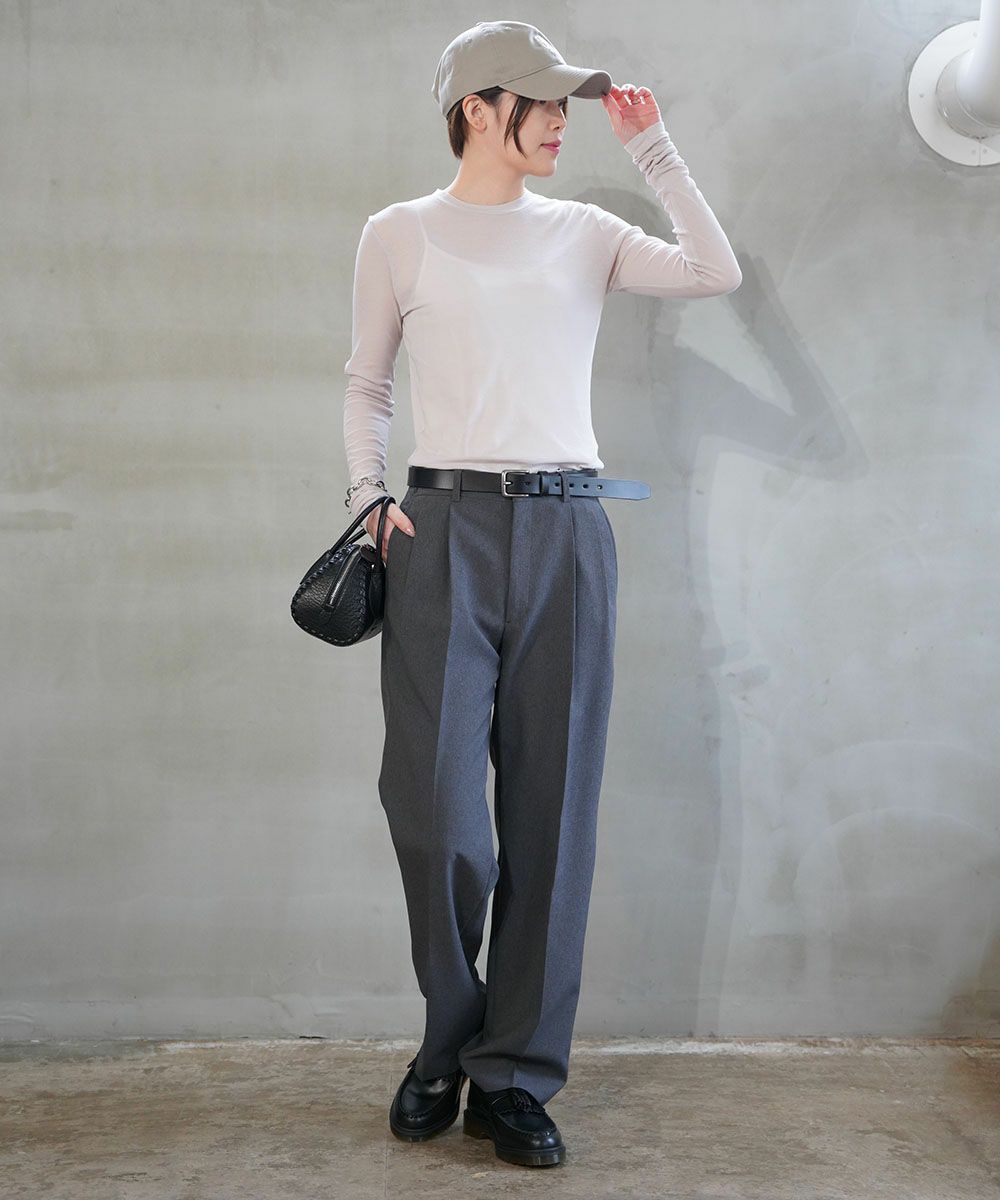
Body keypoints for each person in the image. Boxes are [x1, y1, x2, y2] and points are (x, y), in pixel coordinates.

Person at [342, 20, 741, 1169]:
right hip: (441, 535)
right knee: (435, 815)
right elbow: (367, 382)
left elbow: (712, 271)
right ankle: (449, 1039)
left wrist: (653, 147)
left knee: (552, 818)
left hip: (567, 531)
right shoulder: (398, 233)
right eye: (543, 102)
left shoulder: (583, 232)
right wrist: (368, 497)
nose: (563, 121)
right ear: (476, 108)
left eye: (569, 104)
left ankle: (512, 1077)